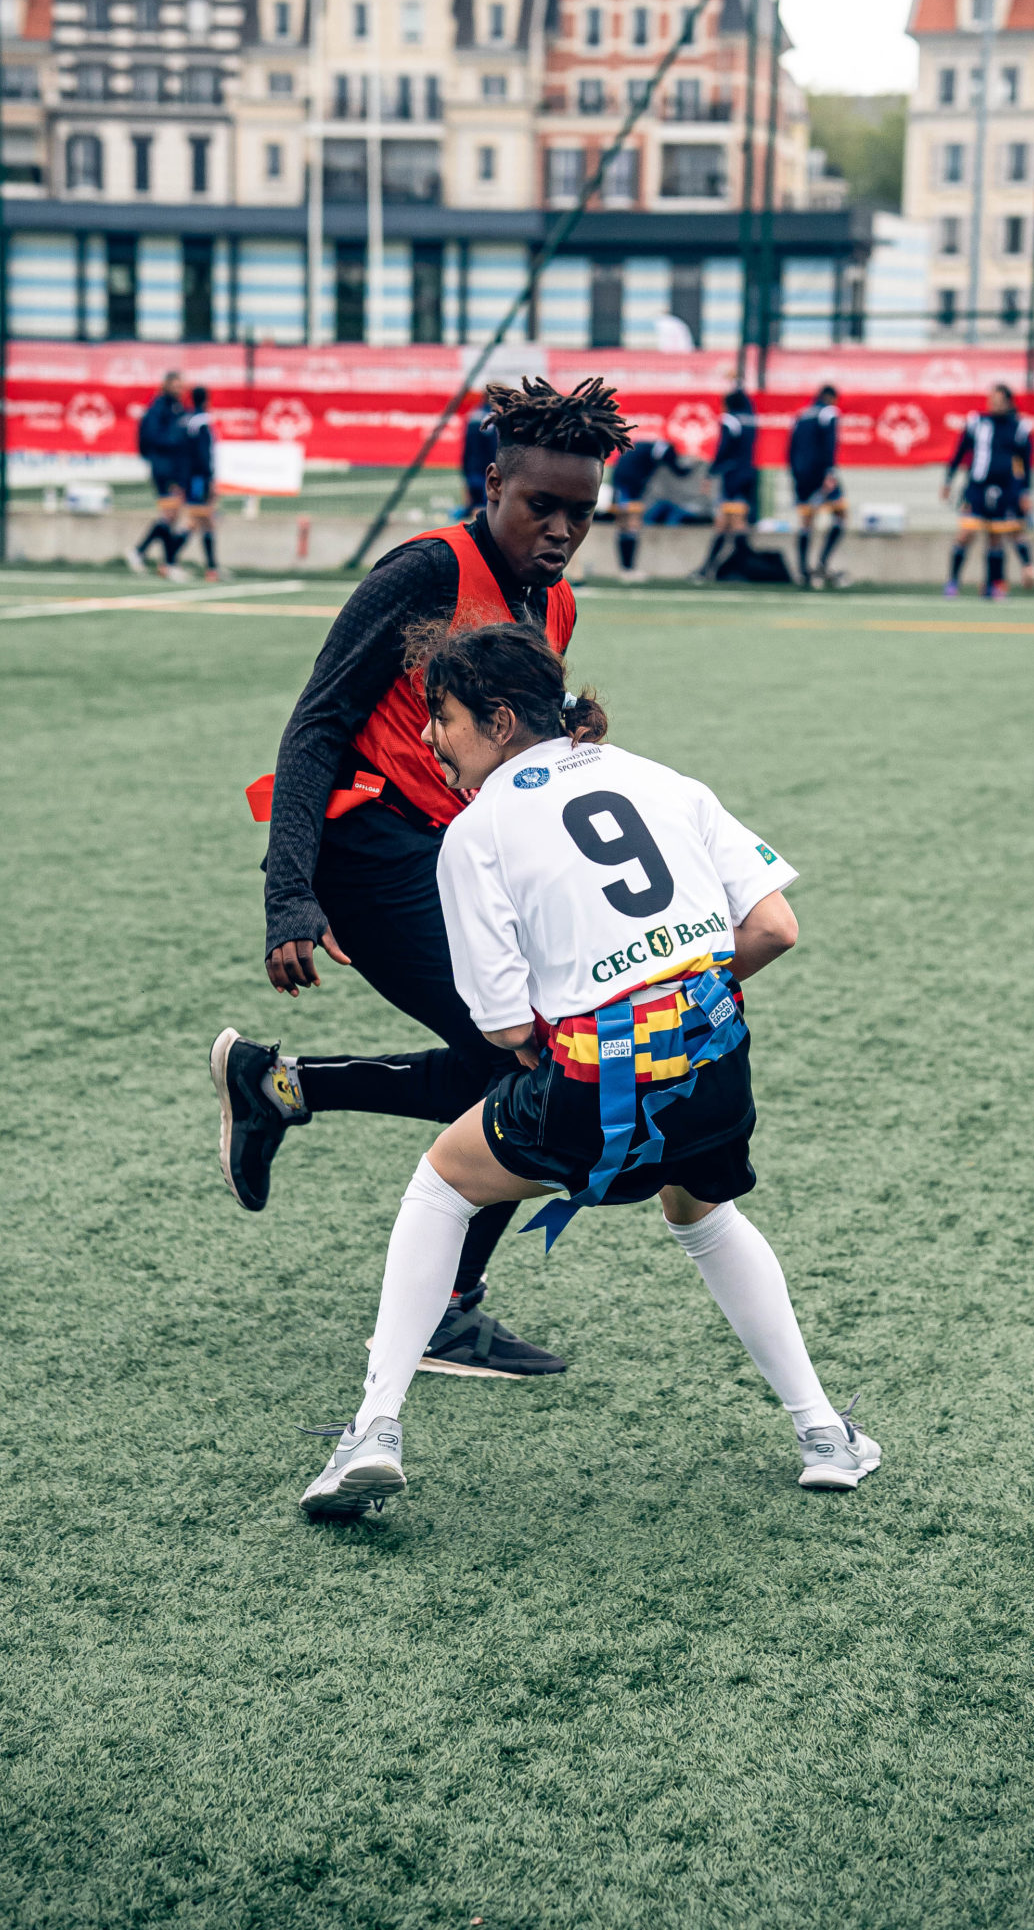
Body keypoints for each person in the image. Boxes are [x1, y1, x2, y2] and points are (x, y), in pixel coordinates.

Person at [299, 622, 880, 1520]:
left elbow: (497, 1021)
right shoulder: (664, 780)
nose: (428, 739)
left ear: (497, 722)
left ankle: (371, 1432)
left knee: (443, 1183)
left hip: (600, 1084)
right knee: (702, 1212)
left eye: (440, 717)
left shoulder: (476, 829)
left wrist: (569, 1035)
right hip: (717, 1066)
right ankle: (823, 1436)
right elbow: (773, 929)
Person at [211, 377, 634, 1381]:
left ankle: (279, 1087)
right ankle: (447, 1311)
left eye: (584, 511)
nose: (565, 528)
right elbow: (315, 723)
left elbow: (514, 746)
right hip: (372, 853)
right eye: (545, 505)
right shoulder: (425, 572)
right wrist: (292, 896)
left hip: (459, 857)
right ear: (493, 485)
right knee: (531, 1066)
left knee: (537, 1057)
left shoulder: (554, 599)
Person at [941, 384, 1033, 600]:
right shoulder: (977, 423)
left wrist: (1026, 492)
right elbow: (960, 451)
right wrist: (948, 480)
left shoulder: (1019, 428)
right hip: (976, 487)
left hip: (1005, 489)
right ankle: (953, 581)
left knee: (996, 536)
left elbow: (1026, 464)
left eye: (999, 401)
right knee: (966, 533)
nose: (994, 405)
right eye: (992, 400)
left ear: (1009, 403)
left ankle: (993, 585)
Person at [126, 371, 190, 580]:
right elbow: (151, 437)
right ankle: (160, 559)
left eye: (181, 386)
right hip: (164, 468)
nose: (179, 390)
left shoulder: (177, 408)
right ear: (166, 385)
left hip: (172, 467)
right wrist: (163, 454)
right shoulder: (159, 408)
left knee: (170, 515)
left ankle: (152, 557)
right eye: (175, 386)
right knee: (170, 513)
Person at [788, 384, 847, 589]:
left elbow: (791, 448)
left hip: (801, 476)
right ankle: (822, 563)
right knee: (840, 513)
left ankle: (803, 571)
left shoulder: (801, 415)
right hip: (821, 474)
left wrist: (795, 475)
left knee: (806, 521)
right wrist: (830, 471)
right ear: (830, 397)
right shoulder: (828, 413)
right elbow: (830, 442)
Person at [696, 387, 759, 579]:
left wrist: (711, 472)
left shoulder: (730, 421)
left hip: (732, 476)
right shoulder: (750, 419)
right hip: (749, 473)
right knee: (737, 522)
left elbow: (723, 448)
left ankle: (714, 569)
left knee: (727, 523)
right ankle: (722, 568)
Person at [608, 435, 690, 580]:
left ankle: (627, 568)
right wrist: (691, 467)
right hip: (627, 487)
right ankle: (627, 569)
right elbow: (677, 469)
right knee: (630, 525)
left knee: (628, 526)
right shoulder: (660, 450)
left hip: (625, 485)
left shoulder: (646, 448)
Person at [181, 385, 221, 582]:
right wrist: (210, 478)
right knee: (199, 520)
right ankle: (169, 560)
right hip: (199, 479)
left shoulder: (189, 420)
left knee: (203, 521)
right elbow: (204, 455)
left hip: (193, 477)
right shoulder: (201, 422)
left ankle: (212, 567)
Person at [461, 395, 497, 517]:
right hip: (487, 470)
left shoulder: (473, 415)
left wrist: (465, 470)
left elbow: (466, 446)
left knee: (473, 507)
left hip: (472, 467)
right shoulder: (492, 418)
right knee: (484, 510)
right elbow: (494, 446)